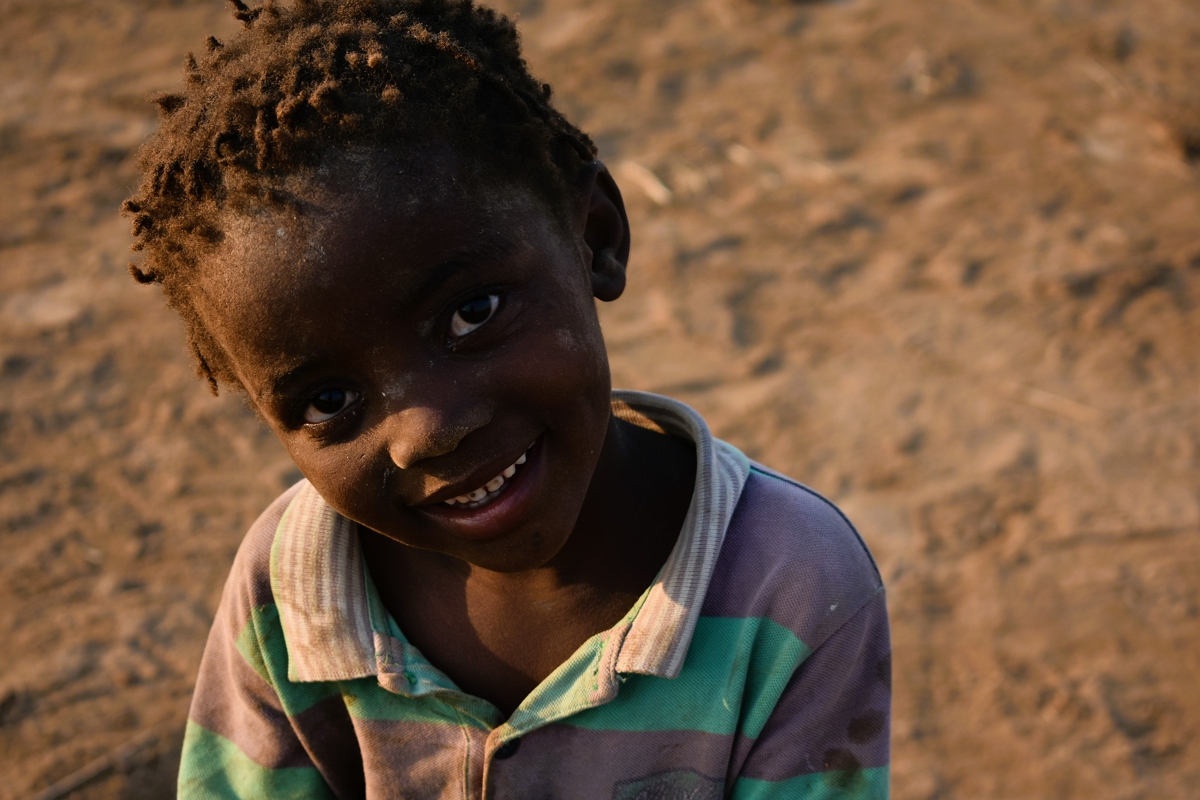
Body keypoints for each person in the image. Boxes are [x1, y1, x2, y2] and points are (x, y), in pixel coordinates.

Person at [122, 0, 890, 796]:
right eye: (328, 400)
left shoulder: (792, 587)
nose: (428, 433)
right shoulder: (290, 586)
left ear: (593, 235)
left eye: (472, 313)